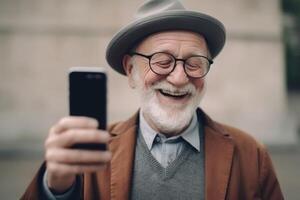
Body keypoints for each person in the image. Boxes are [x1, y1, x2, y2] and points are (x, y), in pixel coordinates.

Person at [21, 0, 284, 199]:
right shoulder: (85, 153)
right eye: (162, 62)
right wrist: (54, 187)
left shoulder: (251, 155)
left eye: (194, 63)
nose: (180, 78)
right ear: (131, 70)